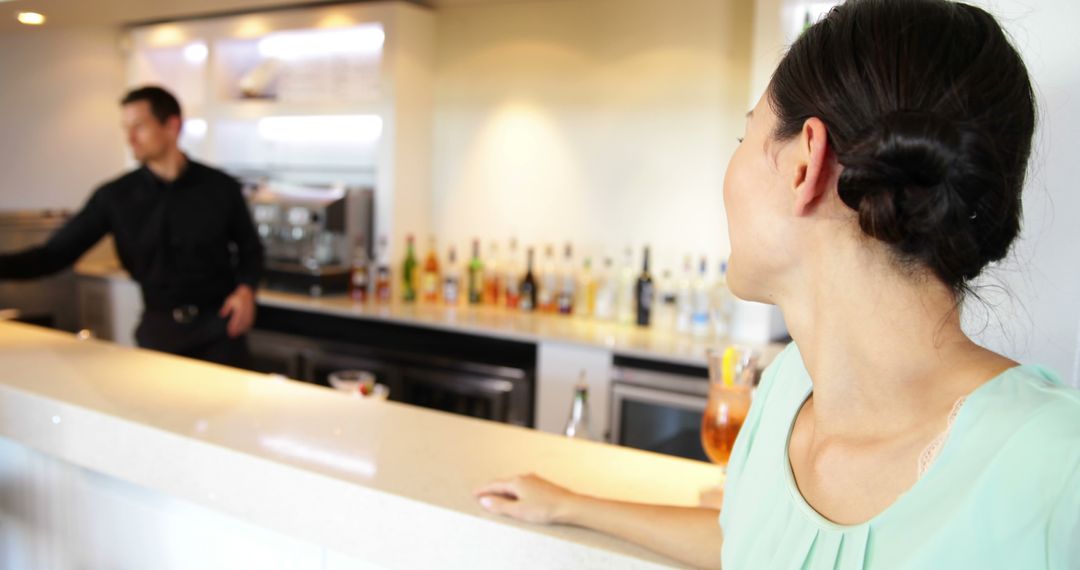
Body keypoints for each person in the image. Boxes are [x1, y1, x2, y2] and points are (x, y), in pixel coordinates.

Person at [474, 0, 1080, 568]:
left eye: (745, 136)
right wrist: (572, 505)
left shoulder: (1055, 467)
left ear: (803, 164)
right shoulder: (787, 389)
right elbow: (752, 539)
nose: (730, 166)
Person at [0, 86, 264, 369]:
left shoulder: (220, 187)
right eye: (126, 128)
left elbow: (251, 248)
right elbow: (52, 255)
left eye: (139, 127)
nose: (130, 139)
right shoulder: (114, 196)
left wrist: (246, 289)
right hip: (159, 331)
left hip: (221, 331)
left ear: (172, 126)